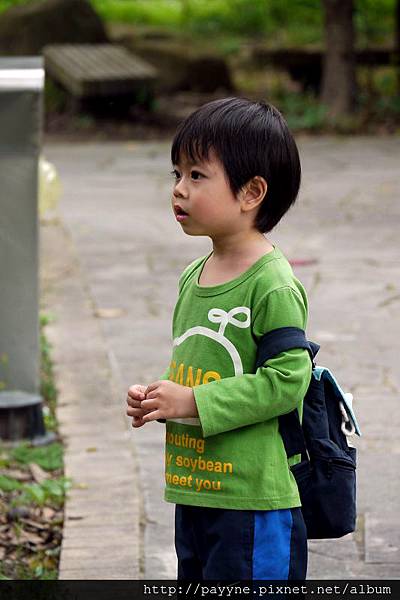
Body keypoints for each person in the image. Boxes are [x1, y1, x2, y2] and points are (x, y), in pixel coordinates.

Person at [126, 97, 311, 581]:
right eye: (176, 175)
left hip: (251, 501)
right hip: (196, 491)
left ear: (251, 192)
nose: (179, 190)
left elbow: (288, 382)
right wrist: (160, 397)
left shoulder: (272, 283)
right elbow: (204, 363)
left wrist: (192, 401)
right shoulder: (195, 274)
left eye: (197, 176)